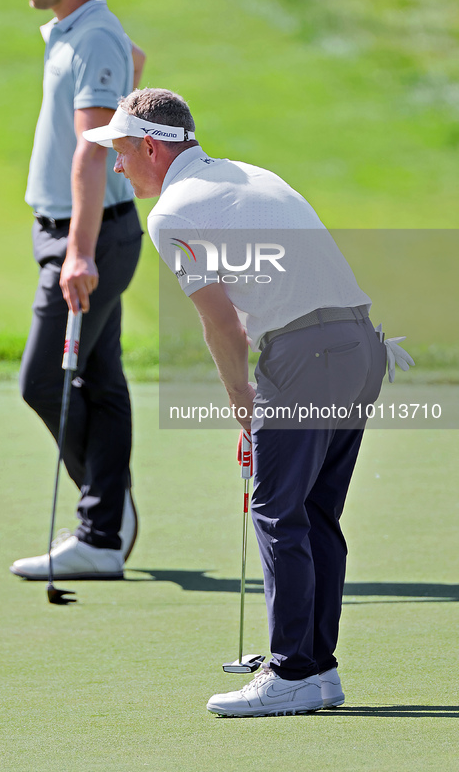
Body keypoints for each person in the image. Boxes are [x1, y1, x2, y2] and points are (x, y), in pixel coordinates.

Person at [83, 88, 412, 716]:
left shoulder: (172, 213)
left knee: (275, 510)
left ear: (152, 146)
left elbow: (223, 326)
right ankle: (317, 670)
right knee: (313, 513)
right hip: (362, 349)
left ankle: (289, 669)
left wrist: (244, 404)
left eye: (122, 152)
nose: (118, 167)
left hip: (308, 356)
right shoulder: (253, 174)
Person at [0, 0, 145, 580]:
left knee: (41, 379)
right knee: (100, 377)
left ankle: (101, 522)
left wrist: (78, 253)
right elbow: (134, 63)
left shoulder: (91, 37)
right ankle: (107, 522)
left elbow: (91, 149)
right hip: (72, 229)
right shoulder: (77, 32)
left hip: (88, 236)